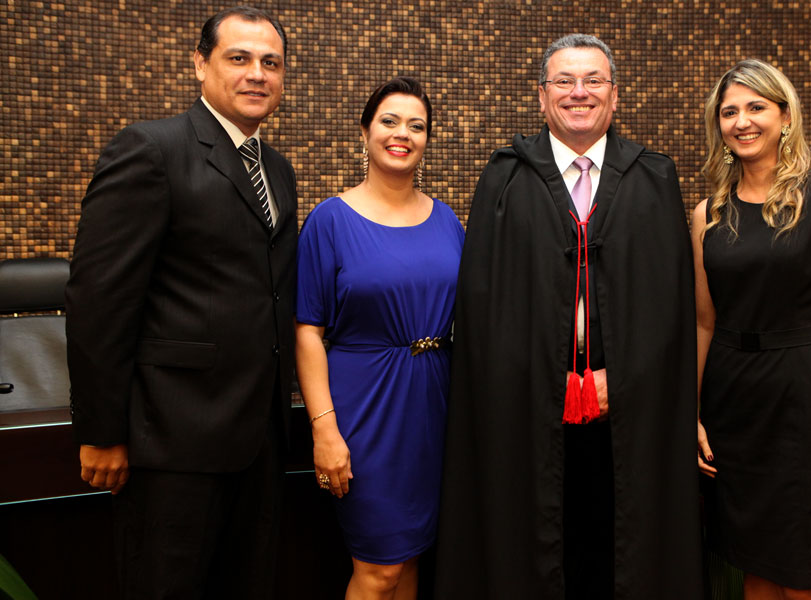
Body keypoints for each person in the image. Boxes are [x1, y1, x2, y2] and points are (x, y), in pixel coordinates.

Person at [434, 34, 703, 599]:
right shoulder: (503, 179)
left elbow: (670, 312)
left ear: (615, 95)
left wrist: (620, 380)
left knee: (620, 555)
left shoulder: (654, 178)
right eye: (564, 81)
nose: (579, 92)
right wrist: (540, 379)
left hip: (627, 411)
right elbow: (484, 311)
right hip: (527, 411)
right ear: (542, 96)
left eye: (593, 80)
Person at [65, 7, 297, 597]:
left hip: (259, 441)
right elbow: (99, 299)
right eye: (239, 58)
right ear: (200, 64)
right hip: (172, 441)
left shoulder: (277, 170)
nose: (257, 74)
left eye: (271, 63)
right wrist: (101, 431)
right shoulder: (150, 149)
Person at [693, 59, 811, 599]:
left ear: (785, 116)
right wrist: (691, 414)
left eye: (756, 107)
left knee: (804, 570)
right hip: (734, 405)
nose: (742, 121)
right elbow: (704, 321)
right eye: (729, 111)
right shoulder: (707, 214)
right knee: (756, 566)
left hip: (808, 398)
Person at [295, 76, 464, 600]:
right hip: (363, 409)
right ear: (364, 132)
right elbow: (307, 331)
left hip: (433, 407)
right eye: (389, 121)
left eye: (417, 126)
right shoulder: (329, 220)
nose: (402, 134)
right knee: (379, 570)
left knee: (409, 561)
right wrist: (325, 431)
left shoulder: (448, 221)